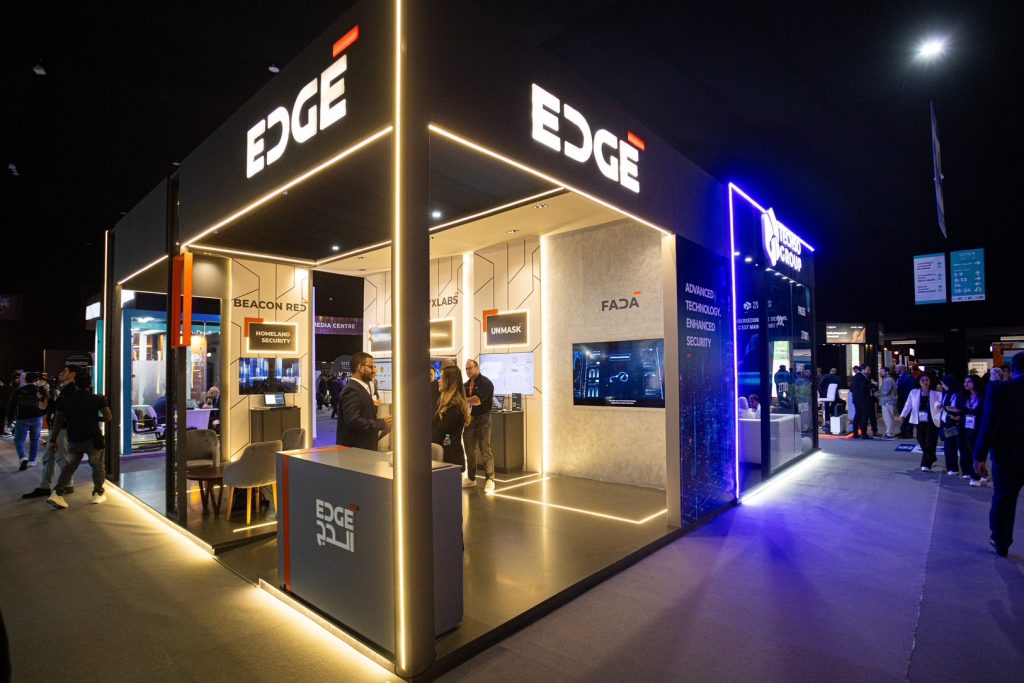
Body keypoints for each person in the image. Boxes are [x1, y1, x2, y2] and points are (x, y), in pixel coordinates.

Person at [972, 352, 1024, 557]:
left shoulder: (999, 390)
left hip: (1008, 455)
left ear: (1010, 370)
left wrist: (979, 456)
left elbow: (989, 425)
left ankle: (1001, 542)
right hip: (1009, 455)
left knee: (1004, 499)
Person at [46, 371, 112, 508]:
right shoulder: (97, 399)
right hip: (94, 438)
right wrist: (94, 418)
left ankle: (57, 493)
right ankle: (98, 493)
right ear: (90, 384)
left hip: (74, 438)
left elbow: (58, 422)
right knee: (98, 466)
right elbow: (108, 417)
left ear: (75, 384)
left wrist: (52, 440)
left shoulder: (66, 400)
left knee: (70, 466)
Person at [23, 365, 81, 498]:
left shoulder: (71, 390)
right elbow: (56, 408)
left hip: (62, 428)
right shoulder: (65, 388)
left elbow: (63, 411)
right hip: (57, 427)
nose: (61, 373)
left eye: (65, 371)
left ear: (72, 374)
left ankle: (67, 484)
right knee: (49, 457)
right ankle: (45, 486)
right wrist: (48, 397)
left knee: (61, 457)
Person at [336, 353, 390, 450]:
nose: (374, 370)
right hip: (355, 452)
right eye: (371, 367)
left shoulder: (360, 388)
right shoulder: (352, 390)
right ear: (360, 368)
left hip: (362, 450)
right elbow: (353, 421)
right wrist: (381, 423)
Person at [463, 358, 495, 492]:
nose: (468, 371)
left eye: (470, 368)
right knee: (469, 450)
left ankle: (490, 479)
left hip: (483, 420)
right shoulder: (465, 385)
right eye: (466, 369)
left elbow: (477, 401)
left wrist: (463, 399)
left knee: (485, 449)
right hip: (469, 420)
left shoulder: (486, 383)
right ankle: (471, 478)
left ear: (477, 367)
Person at [432, 365, 471, 472]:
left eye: (441, 378)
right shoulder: (443, 403)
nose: (438, 381)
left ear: (449, 381)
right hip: (444, 458)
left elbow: (440, 432)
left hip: (450, 460)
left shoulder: (455, 407)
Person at [902, 373, 943, 471]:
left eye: (927, 380)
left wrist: (939, 406)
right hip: (919, 420)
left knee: (930, 441)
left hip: (932, 420)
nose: (925, 382)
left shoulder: (937, 393)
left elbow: (941, 406)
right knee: (921, 439)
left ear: (930, 381)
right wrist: (903, 414)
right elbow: (908, 404)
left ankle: (926, 464)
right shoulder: (914, 392)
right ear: (919, 382)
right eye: (922, 380)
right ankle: (931, 457)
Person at [10, 372, 48, 470]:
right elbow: (46, 403)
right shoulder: (40, 390)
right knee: (35, 439)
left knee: (19, 439)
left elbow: (11, 405)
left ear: (25, 379)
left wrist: (10, 419)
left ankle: (23, 457)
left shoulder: (18, 390)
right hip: (37, 417)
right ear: (36, 380)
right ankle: (32, 461)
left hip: (22, 417)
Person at [962, 374, 988, 487]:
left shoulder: (984, 396)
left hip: (980, 427)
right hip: (967, 427)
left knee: (978, 452)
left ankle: (976, 475)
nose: (966, 384)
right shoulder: (964, 396)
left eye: (969, 382)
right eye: (965, 382)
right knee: (971, 452)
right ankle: (983, 473)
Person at [938, 375, 965, 477]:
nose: (942, 386)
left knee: (962, 448)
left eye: (943, 384)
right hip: (947, 424)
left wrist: (953, 411)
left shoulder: (959, 394)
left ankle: (967, 470)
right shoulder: (945, 394)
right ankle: (952, 468)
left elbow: (961, 408)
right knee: (949, 448)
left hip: (957, 424)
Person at [850, 365, 873, 439]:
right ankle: (864, 434)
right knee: (864, 416)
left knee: (857, 415)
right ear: (863, 370)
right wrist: (872, 385)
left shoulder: (855, 377)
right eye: (867, 370)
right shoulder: (862, 377)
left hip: (856, 400)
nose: (869, 371)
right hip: (863, 400)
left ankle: (855, 433)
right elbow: (863, 387)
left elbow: (851, 389)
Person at [895, 364, 916, 437]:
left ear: (901, 369)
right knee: (903, 415)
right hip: (900, 400)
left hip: (906, 400)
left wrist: (909, 401)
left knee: (908, 416)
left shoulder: (909, 377)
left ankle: (909, 432)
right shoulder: (898, 378)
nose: (895, 370)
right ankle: (903, 430)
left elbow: (910, 390)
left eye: (896, 368)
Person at [877, 366, 897, 438]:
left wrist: (876, 393)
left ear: (887, 372)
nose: (880, 373)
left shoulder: (887, 380)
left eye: (882, 371)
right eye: (880, 371)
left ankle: (889, 433)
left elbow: (885, 392)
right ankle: (890, 432)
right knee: (889, 417)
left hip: (887, 402)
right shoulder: (889, 379)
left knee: (888, 418)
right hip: (889, 401)